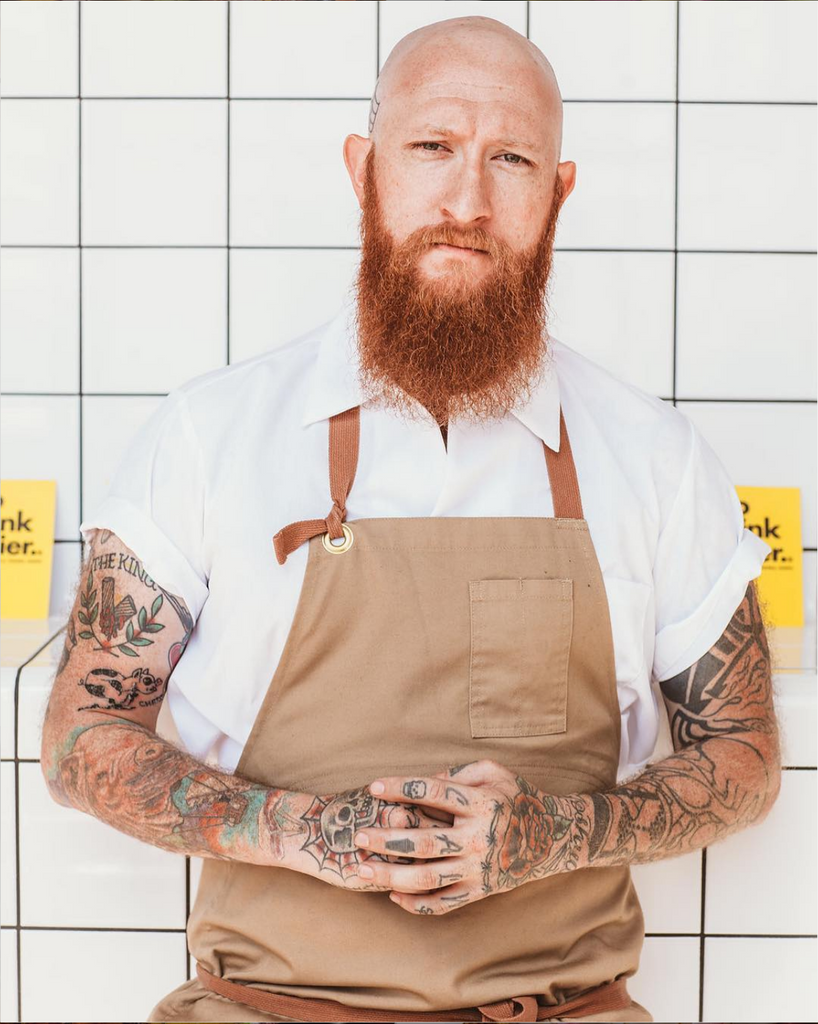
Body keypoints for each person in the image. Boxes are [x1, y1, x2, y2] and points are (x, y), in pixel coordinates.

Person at [41, 16, 781, 1024]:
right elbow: (83, 735)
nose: (465, 201)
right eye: (430, 147)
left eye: (509, 159)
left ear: (556, 194)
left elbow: (742, 758)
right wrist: (303, 831)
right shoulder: (208, 436)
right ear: (364, 170)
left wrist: (546, 834)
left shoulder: (652, 455)